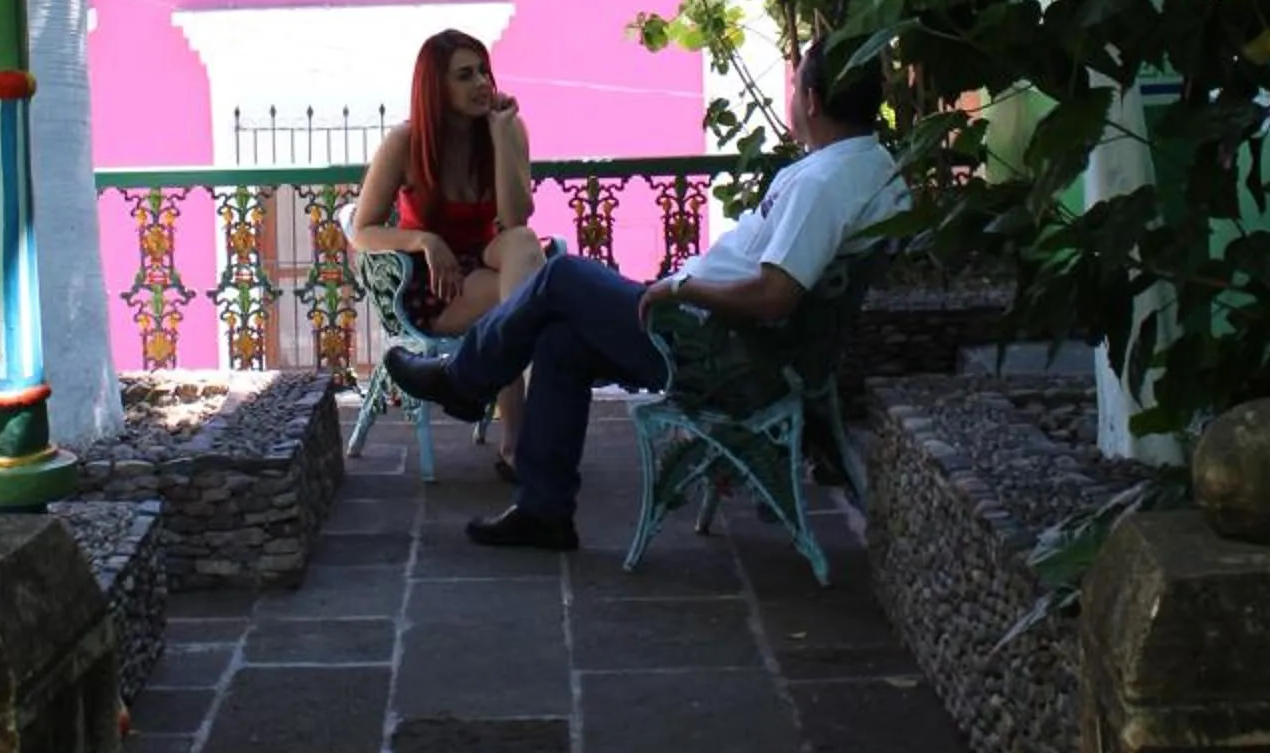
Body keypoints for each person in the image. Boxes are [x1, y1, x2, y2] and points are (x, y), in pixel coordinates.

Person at [382, 36, 909, 550]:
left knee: (560, 277)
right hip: (716, 332)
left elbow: (774, 296)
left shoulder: (822, 185)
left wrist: (683, 289)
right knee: (562, 341)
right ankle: (544, 510)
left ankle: (462, 379)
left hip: (713, 344)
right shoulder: (866, 166)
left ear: (811, 100)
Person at [349, 28, 545, 474]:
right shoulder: (406, 142)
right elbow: (363, 230)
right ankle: (519, 443)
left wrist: (503, 136)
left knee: (524, 249)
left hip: (488, 258)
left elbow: (515, 218)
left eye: (483, 72)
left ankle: (484, 405)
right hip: (438, 282)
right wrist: (424, 239)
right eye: (464, 75)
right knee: (522, 304)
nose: (481, 83)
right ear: (436, 86)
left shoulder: (507, 128)